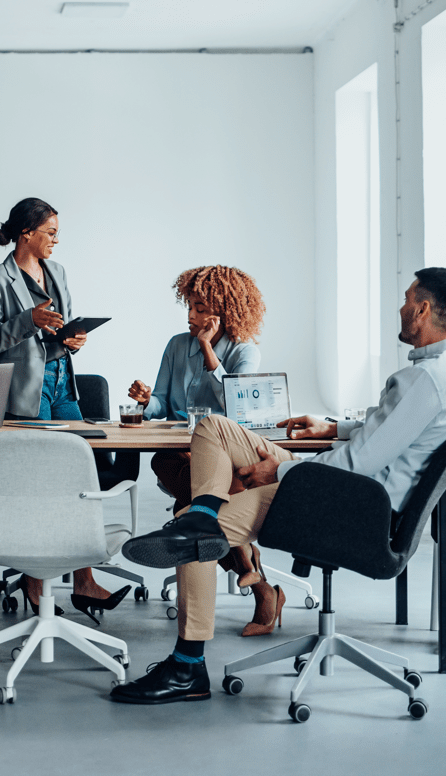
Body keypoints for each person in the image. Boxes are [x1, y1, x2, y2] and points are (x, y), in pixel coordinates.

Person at [112, 267, 446, 704]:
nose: (400, 308)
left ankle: (187, 666)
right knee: (214, 428)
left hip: (347, 501)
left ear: (422, 310)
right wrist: (333, 427)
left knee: (192, 541)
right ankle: (203, 512)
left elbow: (357, 464)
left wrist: (279, 472)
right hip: (349, 490)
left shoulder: (422, 380)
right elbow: (393, 432)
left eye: (406, 300)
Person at [0, 197, 130, 624]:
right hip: (27, 388)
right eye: (50, 233)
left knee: (77, 478)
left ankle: (83, 581)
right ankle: (34, 577)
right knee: (39, 482)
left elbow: (58, 331)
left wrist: (72, 339)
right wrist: (29, 320)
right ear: (26, 233)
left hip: (64, 380)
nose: (55, 241)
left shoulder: (58, 272)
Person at [124, 265, 284, 637]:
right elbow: (163, 404)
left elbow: (235, 409)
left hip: (222, 454)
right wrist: (148, 401)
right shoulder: (176, 345)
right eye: (190, 306)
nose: (191, 316)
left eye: (199, 308)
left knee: (191, 511)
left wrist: (208, 349)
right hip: (176, 452)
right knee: (201, 495)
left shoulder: (245, 352)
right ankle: (255, 576)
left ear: (222, 312)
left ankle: (258, 585)